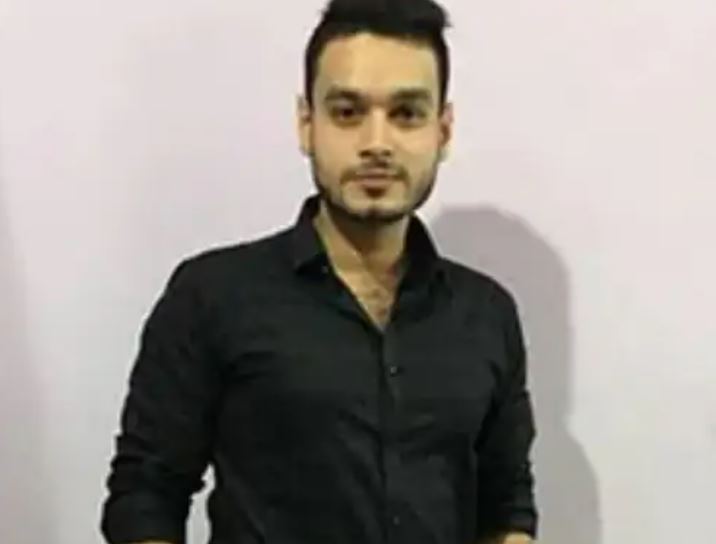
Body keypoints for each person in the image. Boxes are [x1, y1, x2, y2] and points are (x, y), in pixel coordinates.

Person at [100, 0, 539, 543]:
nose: (377, 143)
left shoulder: (487, 315)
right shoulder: (212, 297)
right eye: (348, 112)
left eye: (406, 113)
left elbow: (506, 504)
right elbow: (145, 494)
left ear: (443, 131)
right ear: (307, 124)